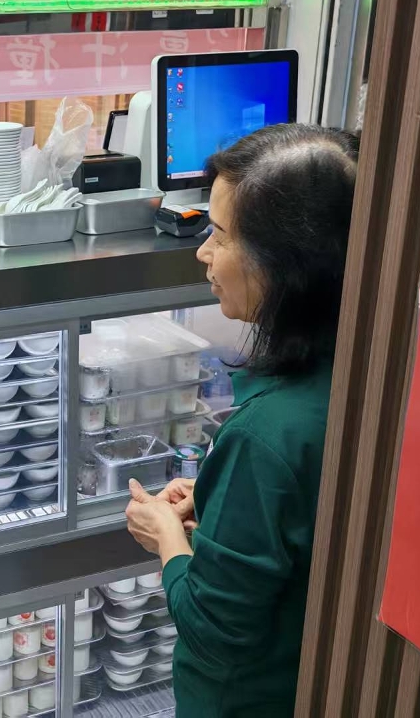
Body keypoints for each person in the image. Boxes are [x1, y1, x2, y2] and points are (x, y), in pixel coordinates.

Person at [125, 123, 358, 716]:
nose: (203, 252)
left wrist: (168, 535)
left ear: (287, 262)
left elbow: (211, 630)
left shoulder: (267, 434)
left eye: (222, 235)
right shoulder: (365, 375)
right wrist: (217, 500)